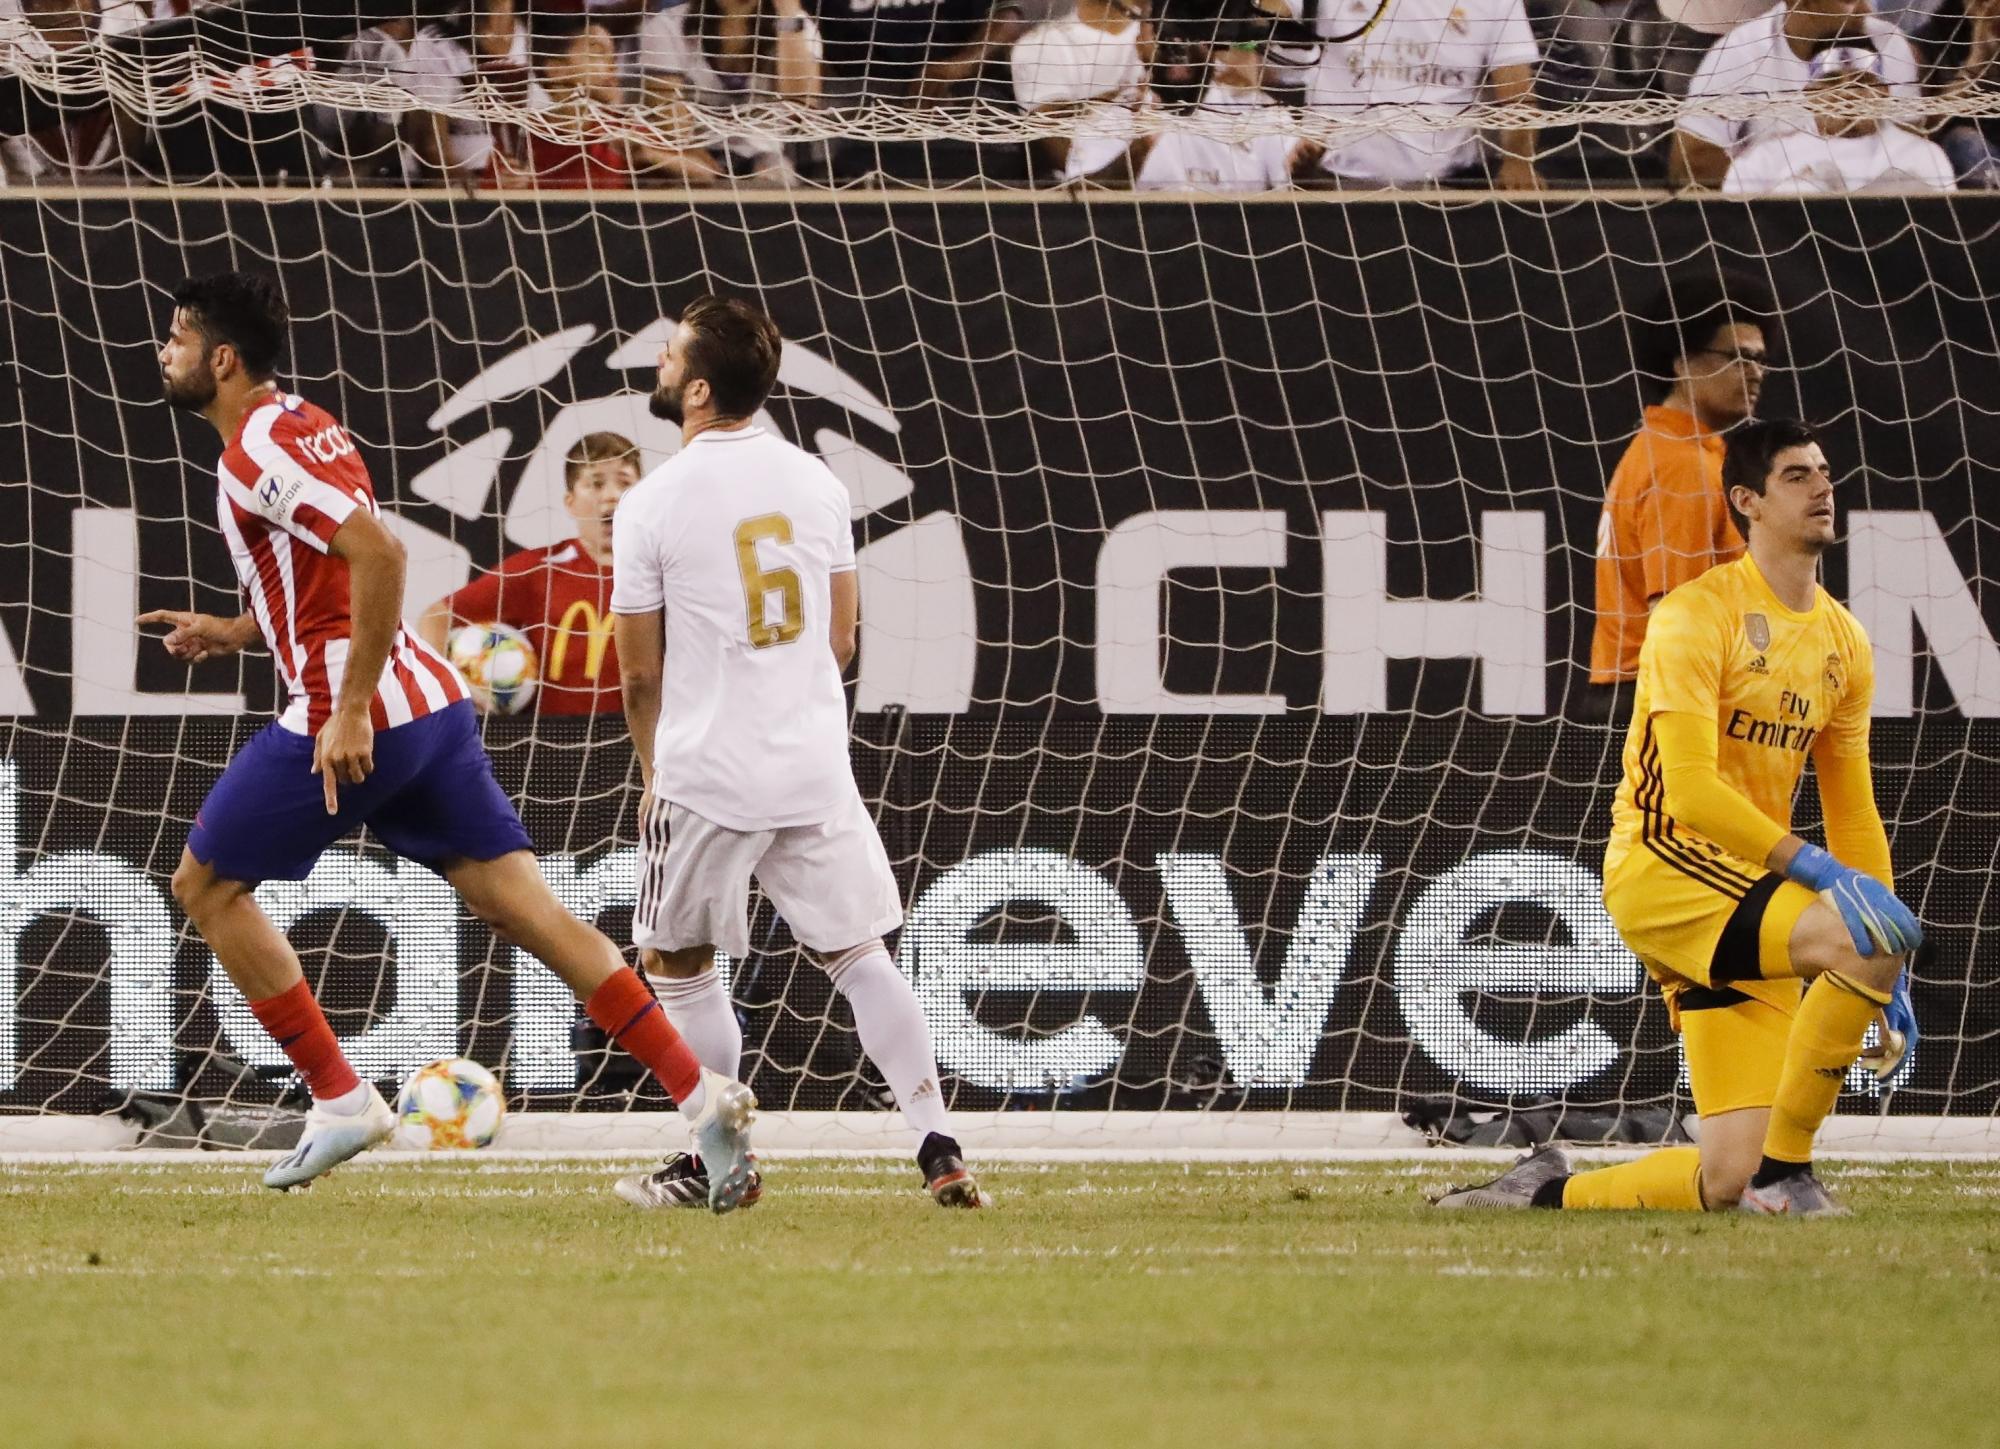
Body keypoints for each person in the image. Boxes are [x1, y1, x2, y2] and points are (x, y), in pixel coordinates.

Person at [141, 271, 757, 1206]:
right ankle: (700, 1094)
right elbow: (324, 582)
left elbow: (380, 555)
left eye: (179, 339)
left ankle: (341, 1096)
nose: (165, 353)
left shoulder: (252, 451)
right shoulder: (301, 418)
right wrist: (229, 632)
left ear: (222, 359)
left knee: (205, 885)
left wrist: (347, 708)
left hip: (358, 714)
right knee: (534, 915)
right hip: (432, 704)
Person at [1440, 419, 1922, 1216]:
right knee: (1863, 941)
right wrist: (1834, 887)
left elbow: (1854, 807)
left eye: (1826, 471)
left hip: (1749, 890)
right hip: (1667, 866)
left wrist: (1885, 962)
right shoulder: (1697, 615)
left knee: (1722, 1175)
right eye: (1798, 475)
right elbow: (1690, 795)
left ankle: (1538, 1192)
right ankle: (1790, 1179)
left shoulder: (1845, 641)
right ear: (1747, 501)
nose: (1823, 487)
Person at [610, 294, 984, 1210]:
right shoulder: (818, 482)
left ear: (697, 390)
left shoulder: (651, 500)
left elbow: (637, 675)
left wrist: (655, 773)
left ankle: (717, 1163)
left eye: (669, 358)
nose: (657, 366)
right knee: (858, 954)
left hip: (707, 770)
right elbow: (844, 639)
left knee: (681, 964)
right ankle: (936, 1138)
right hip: (813, 761)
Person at [1586, 268, 1774, 707]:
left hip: (1641, 695)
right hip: (1658, 701)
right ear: (1681, 360)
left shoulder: (1672, 450)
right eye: (1736, 357)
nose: (1754, 373)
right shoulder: (1681, 465)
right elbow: (1675, 619)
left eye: (1760, 359)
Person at [417, 433, 640, 715]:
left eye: (625, 483)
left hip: (635, 742)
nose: (612, 495)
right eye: (596, 483)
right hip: (549, 744)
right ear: (570, 502)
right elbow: (437, 615)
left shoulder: (663, 576)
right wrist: (444, 684)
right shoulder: (540, 570)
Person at [1289, 0, 1544, 188]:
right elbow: (1265, 16)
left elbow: (1517, 95)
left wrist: (1518, 160)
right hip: (1339, 181)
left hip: (1448, 189)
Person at [1671, 0, 1921, 188]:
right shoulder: (1739, 51)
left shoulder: (1890, 43)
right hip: (1773, 219)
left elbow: (1911, 144)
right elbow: (1691, 163)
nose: (1862, 7)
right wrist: (1780, 193)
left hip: (1875, 207)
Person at [1722, 41, 1957, 190]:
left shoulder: (1923, 155)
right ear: (1810, 96)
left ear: (1884, 92)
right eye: (1832, 81)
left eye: (1862, 81)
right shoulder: (1766, 157)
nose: (1848, 93)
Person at [633, 0, 824, 180]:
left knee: (776, 175)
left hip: (767, 160)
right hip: (691, 156)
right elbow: (671, 128)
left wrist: (788, 12)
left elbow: (801, 108)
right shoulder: (666, 26)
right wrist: (703, 165)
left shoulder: (798, 26)